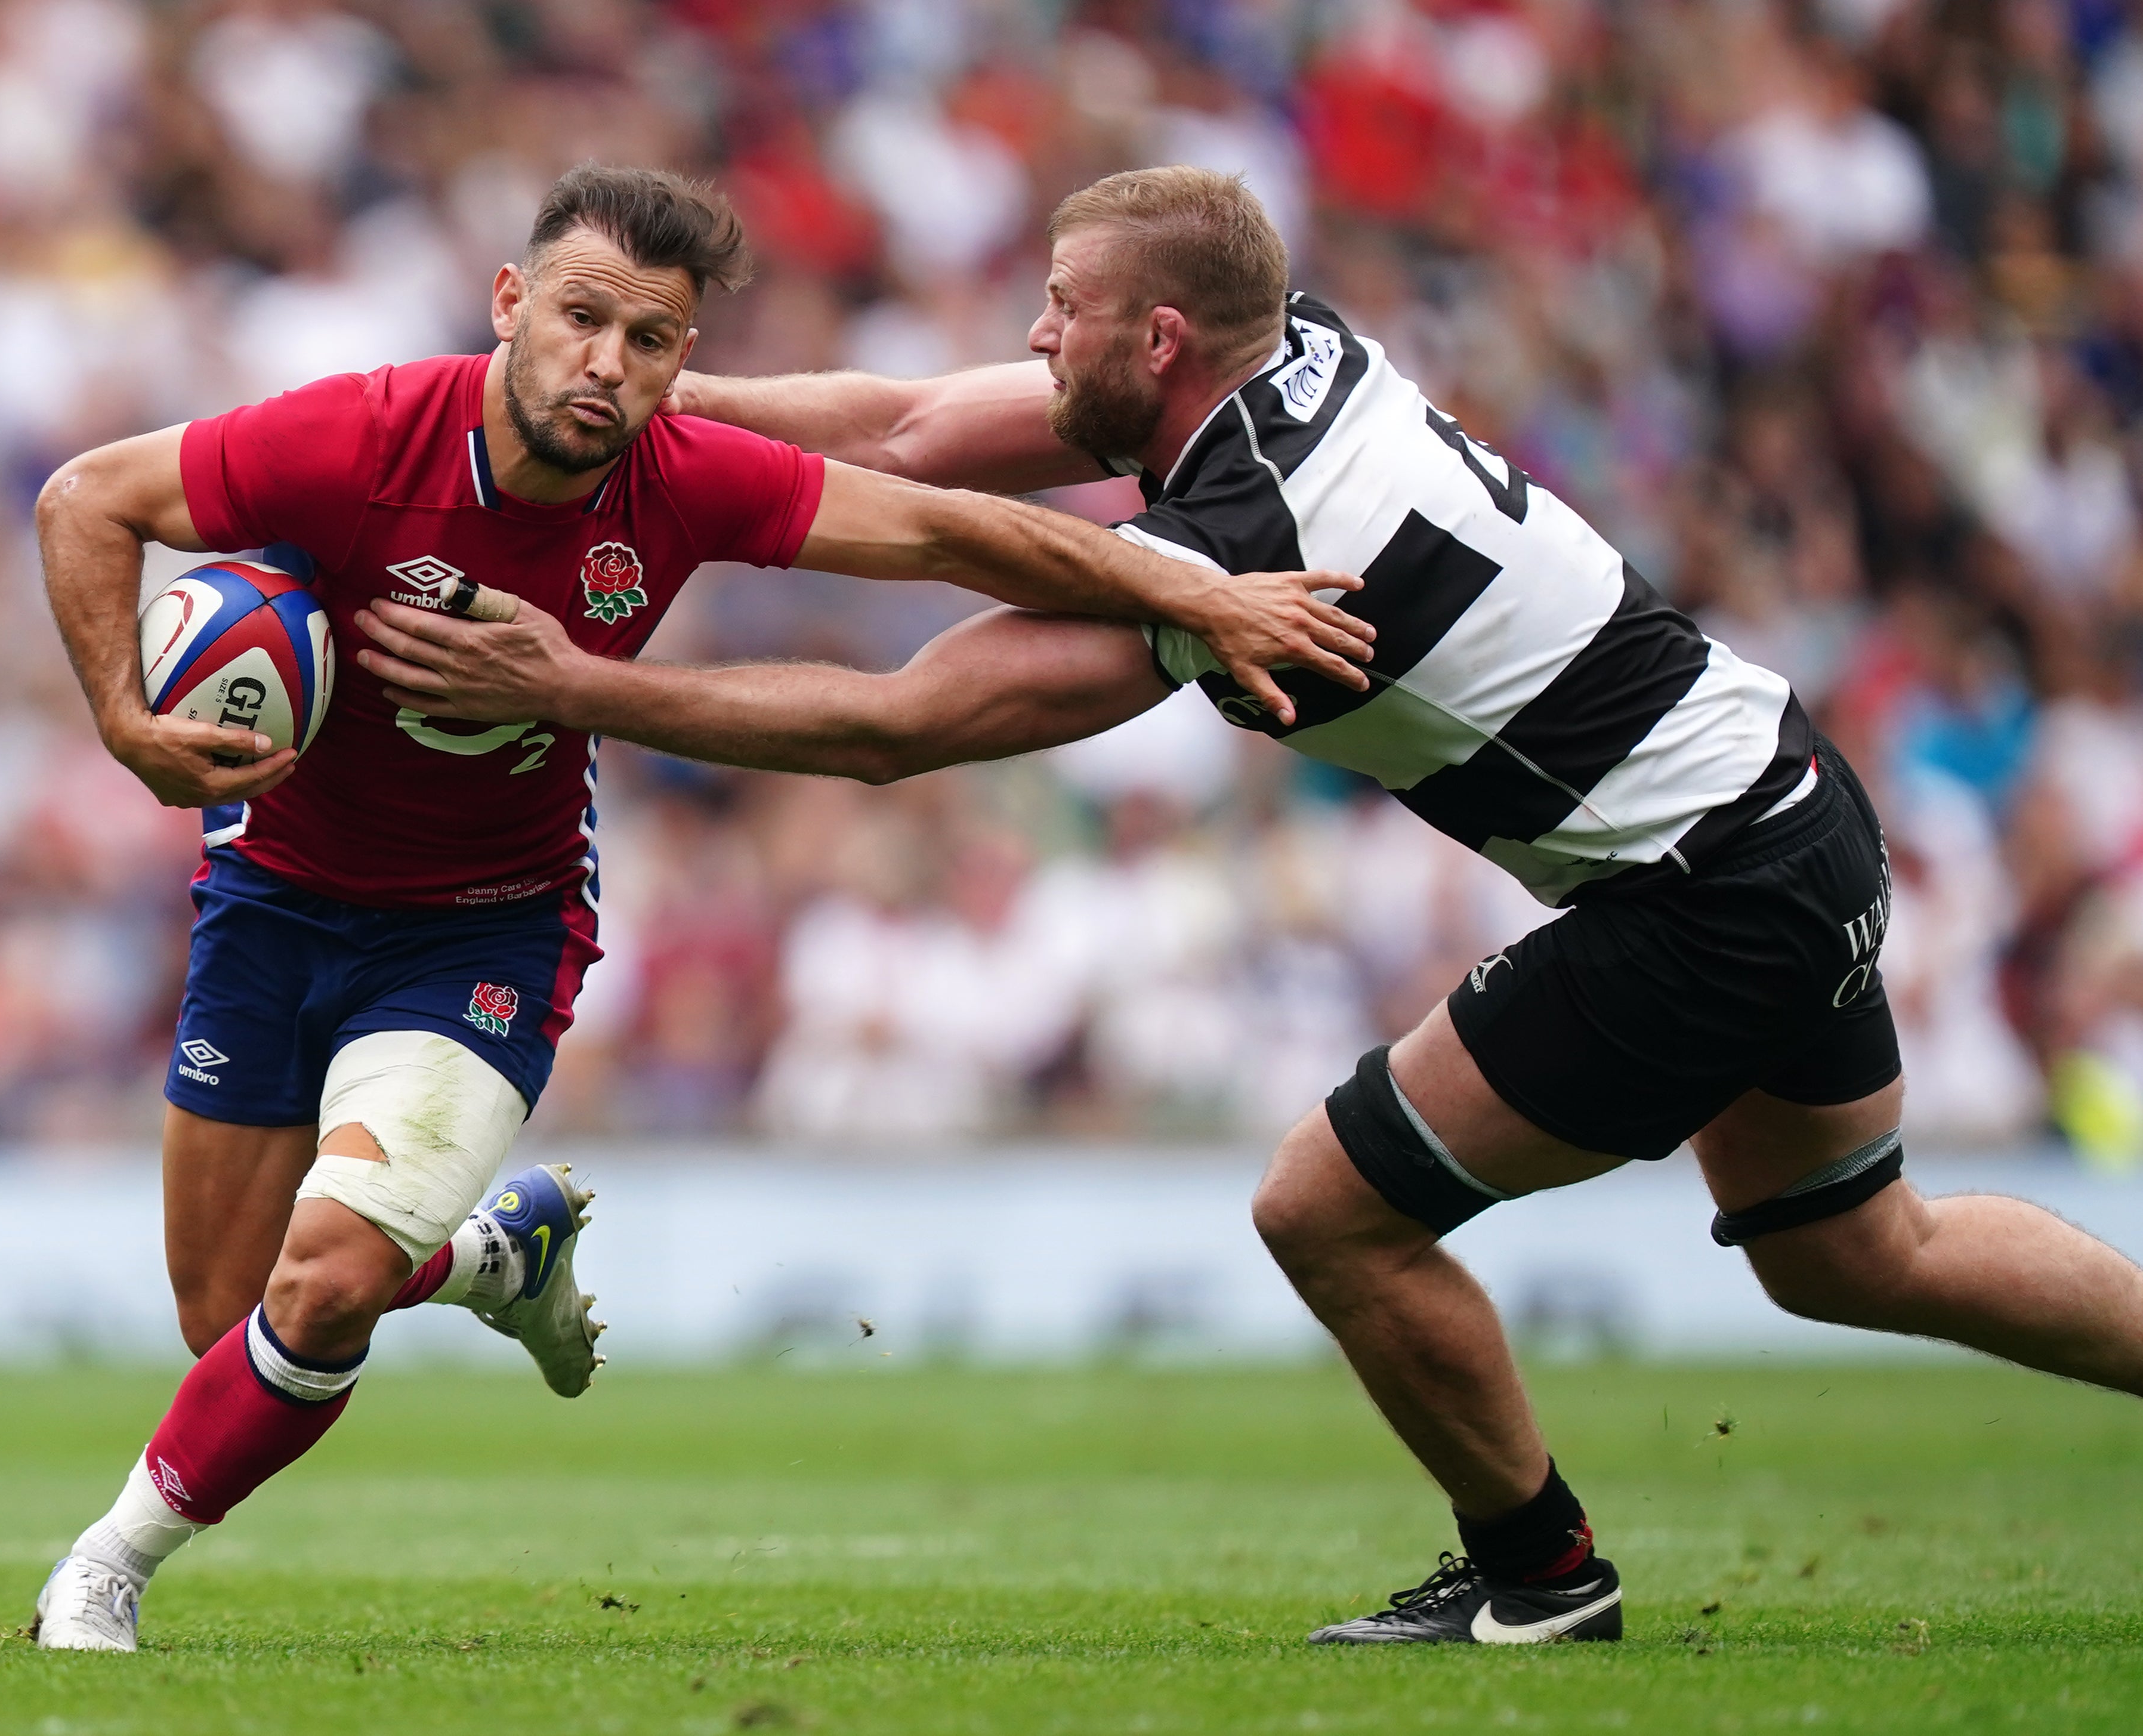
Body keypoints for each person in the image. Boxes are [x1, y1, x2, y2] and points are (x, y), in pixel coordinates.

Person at [358, 165, 2143, 1647]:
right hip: (1788, 804)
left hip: (1697, 890)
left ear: (1155, 338)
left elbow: (901, 725)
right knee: (1855, 1250)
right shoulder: (1298, 358)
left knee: (1328, 1209)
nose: (1033, 336)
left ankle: (1538, 1573)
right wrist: (638, 393)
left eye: (1057, 309)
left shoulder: (1239, 550)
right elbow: (904, 423)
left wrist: (573, 682)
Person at [26, 163, 1370, 1652]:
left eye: (652, 340)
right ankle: (493, 1256)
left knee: (324, 1285)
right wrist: (126, 727)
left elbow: (940, 532)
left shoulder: (684, 478)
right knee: (230, 1323)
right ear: (510, 306)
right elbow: (90, 497)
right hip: (271, 898)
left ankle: (102, 1569)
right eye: (583, 319)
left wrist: (1194, 595)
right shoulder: (357, 435)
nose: (609, 366)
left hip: (488, 920)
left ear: (682, 361)